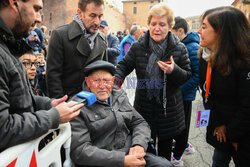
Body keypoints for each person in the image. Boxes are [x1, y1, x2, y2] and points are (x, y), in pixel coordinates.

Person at [0, 0, 84, 152]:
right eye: (36, 9)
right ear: (13, 3)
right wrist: (53, 117)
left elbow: (18, 99)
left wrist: (48, 105)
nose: (39, 18)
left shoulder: (9, 46)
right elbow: (3, 129)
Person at [115, 2, 191, 166]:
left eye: (162, 24)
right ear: (148, 25)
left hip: (168, 111)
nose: (157, 28)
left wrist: (173, 71)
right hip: (144, 108)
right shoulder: (138, 47)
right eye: (153, 24)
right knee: (144, 150)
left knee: (164, 155)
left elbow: (187, 75)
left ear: (170, 26)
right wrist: (115, 82)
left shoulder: (179, 48)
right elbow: (123, 66)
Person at [70, 60, 173, 167]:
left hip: (130, 152)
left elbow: (139, 122)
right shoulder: (78, 107)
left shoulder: (118, 95)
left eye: (106, 80)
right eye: (96, 80)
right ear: (87, 82)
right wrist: (122, 161)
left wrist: (138, 145)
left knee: (165, 165)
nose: (102, 86)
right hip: (104, 162)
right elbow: (80, 151)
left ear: (113, 81)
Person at [198, 6, 250, 167]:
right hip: (219, 130)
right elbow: (207, 95)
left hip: (241, 135)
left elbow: (247, 106)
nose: (199, 31)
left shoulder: (244, 64)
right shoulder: (205, 57)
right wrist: (218, 123)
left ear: (222, 32)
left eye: (204, 26)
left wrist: (232, 134)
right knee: (218, 161)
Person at [46, 0, 108, 99]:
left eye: (100, 16)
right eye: (92, 16)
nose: (97, 22)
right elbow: (53, 77)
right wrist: (60, 105)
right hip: (69, 104)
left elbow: (104, 72)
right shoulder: (60, 35)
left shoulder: (102, 38)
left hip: (94, 103)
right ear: (80, 13)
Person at [171, 16, 200, 158]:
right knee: (178, 126)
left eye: (172, 32)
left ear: (180, 30)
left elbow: (198, 76)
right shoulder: (182, 44)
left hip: (185, 94)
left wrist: (180, 90)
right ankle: (183, 146)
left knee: (182, 127)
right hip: (180, 93)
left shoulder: (192, 47)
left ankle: (177, 157)